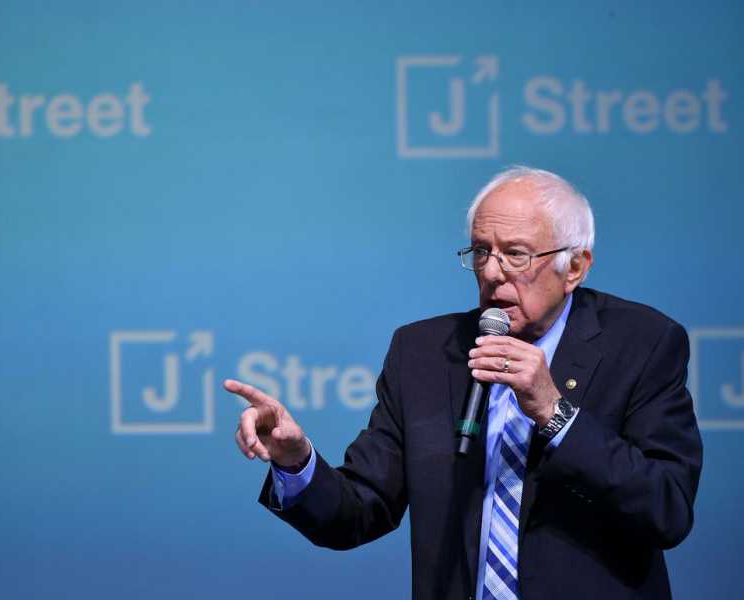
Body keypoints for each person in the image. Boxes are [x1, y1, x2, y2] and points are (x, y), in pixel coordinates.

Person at [223, 166, 703, 600]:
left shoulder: (643, 343)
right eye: (481, 252)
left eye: (516, 254)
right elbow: (359, 512)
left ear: (574, 267)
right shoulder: (424, 352)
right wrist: (296, 459)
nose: (492, 273)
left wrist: (556, 414)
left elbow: (667, 508)